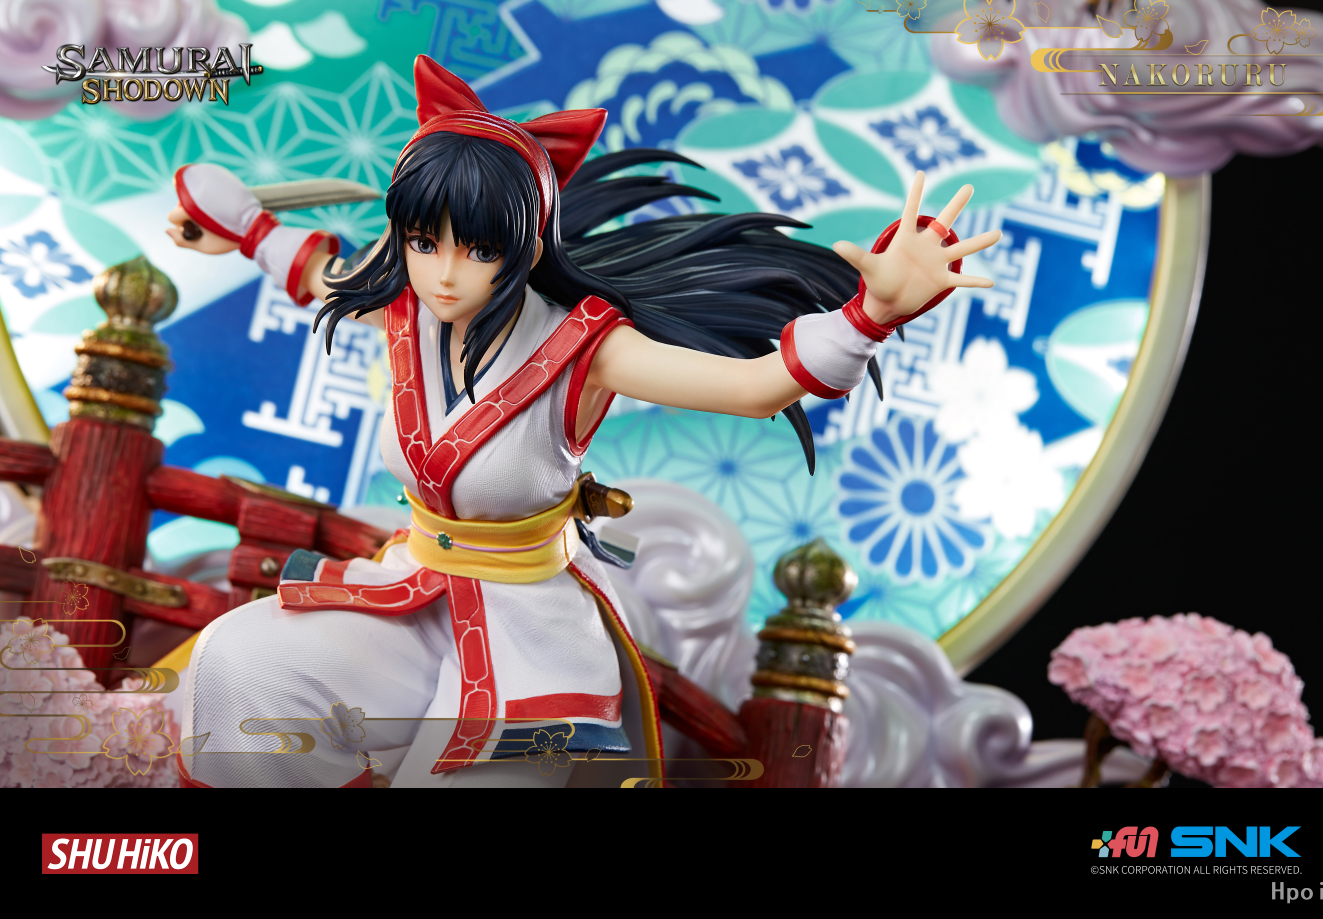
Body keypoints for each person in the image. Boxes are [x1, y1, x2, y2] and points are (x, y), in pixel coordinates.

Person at [165, 56, 1002, 787]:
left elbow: (755, 386)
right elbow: (321, 272)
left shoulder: (585, 348)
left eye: (479, 249)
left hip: (528, 636)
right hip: (409, 599)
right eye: (424, 242)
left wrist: (869, 316)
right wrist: (241, 227)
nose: (445, 274)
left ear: (528, 247)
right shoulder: (404, 305)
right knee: (242, 666)